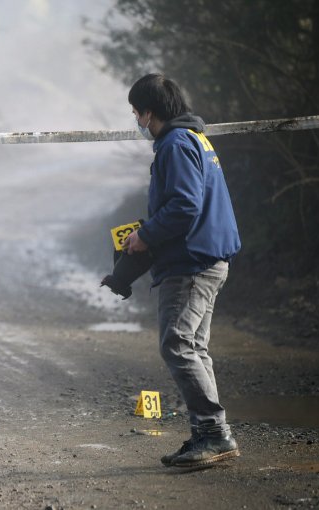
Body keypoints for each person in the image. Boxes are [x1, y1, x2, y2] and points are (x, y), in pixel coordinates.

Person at [122, 73, 242, 468]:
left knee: (176, 344)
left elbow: (185, 206)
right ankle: (209, 434)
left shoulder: (174, 144)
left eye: (137, 112)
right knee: (194, 347)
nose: (137, 121)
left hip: (191, 263)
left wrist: (145, 236)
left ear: (149, 112)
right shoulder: (196, 139)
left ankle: (214, 435)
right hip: (208, 257)